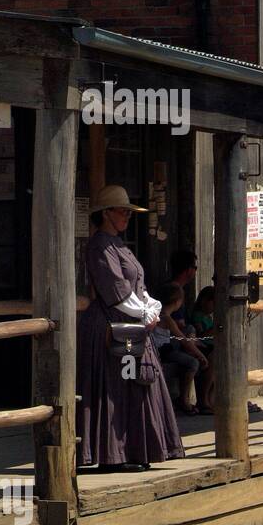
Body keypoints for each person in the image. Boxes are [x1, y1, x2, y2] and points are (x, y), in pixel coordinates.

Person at [76, 185, 184, 472]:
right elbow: (116, 290)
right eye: (122, 211)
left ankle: (136, 450)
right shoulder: (100, 246)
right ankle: (114, 455)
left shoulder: (120, 245)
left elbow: (137, 286)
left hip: (132, 323)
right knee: (115, 388)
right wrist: (143, 312)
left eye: (128, 211)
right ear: (106, 213)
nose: (127, 216)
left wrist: (152, 306)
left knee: (137, 384)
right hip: (111, 326)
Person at [153, 282, 207, 415]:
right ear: (177, 302)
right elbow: (184, 340)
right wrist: (200, 355)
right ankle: (184, 399)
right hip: (162, 351)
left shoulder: (159, 314)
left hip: (162, 347)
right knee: (192, 363)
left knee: (189, 329)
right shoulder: (166, 319)